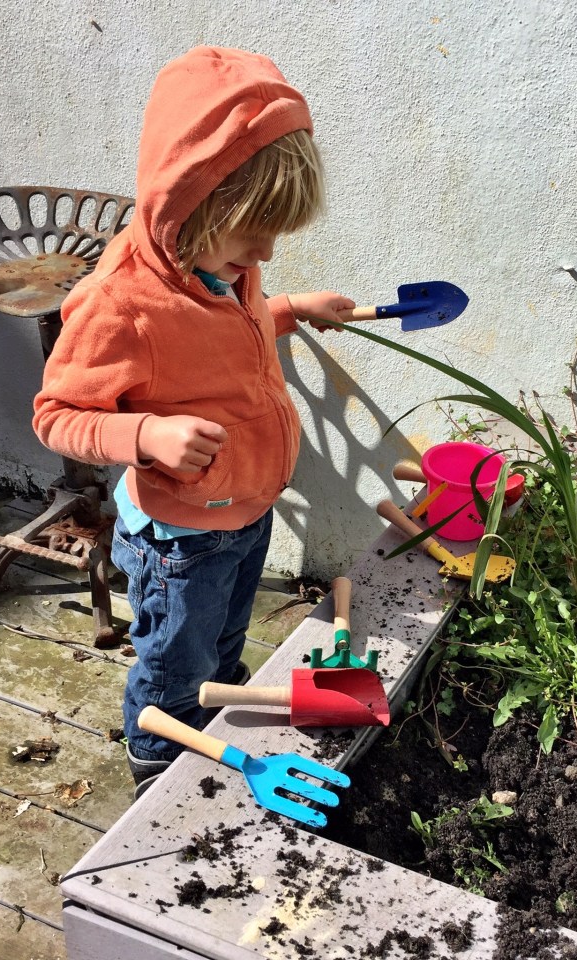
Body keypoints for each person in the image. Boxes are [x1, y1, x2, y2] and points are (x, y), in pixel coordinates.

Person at [33, 46, 355, 798]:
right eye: (253, 233)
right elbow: (56, 416)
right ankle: (159, 771)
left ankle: (215, 721)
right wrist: (145, 436)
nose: (265, 252)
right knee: (175, 665)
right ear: (191, 204)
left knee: (223, 645)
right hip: (180, 539)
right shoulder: (120, 305)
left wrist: (290, 309)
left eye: (275, 235)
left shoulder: (227, 267)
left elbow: (222, 340)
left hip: (247, 512)